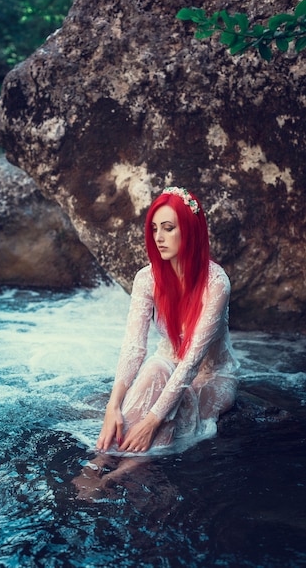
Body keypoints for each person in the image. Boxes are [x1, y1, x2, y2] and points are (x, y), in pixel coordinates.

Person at [96, 186, 239, 456]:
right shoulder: (146, 278)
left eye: (168, 228)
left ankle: (123, 472)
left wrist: (151, 422)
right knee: (154, 369)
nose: (158, 237)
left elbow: (192, 362)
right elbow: (134, 347)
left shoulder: (216, 282)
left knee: (174, 406)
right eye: (153, 229)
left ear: (189, 230)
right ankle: (98, 465)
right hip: (168, 363)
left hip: (209, 375)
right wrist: (112, 406)